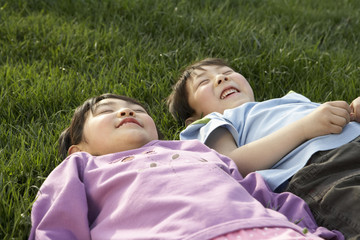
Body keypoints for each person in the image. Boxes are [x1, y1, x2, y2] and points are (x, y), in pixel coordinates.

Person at [28, 93, 343, 240]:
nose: (126, 112)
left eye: (136, 109)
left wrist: (307, 229)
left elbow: (259, 192)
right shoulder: (82, 167)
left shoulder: (194, 150)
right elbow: (57, 223)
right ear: (77, 148)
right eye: (107, 111)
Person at [167, 58, 360, 239]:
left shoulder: (288, 100)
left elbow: (333, 118)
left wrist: (352, 111)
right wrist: (304, 128)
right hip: (322, 169)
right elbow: (232, 164)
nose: (221, 78)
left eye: (227, 72)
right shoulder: (213, 121)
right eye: (203, 82)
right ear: (192, 119)